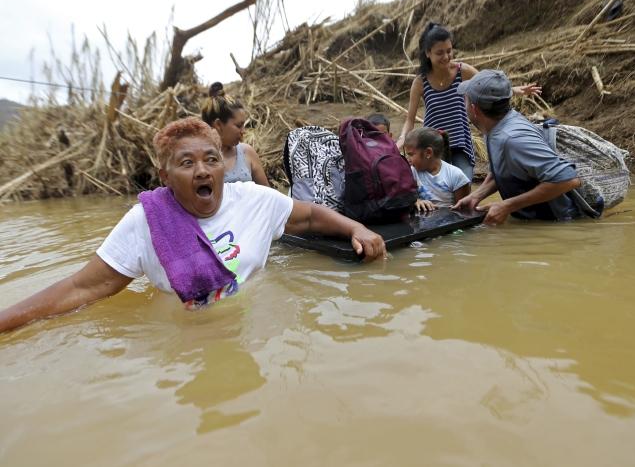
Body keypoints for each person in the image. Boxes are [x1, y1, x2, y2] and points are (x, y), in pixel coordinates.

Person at [0, 118, 386, 333]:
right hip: (186, 336)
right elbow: (82, 287)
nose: (202, 170)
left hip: (257, 322)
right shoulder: (145, 222)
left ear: (222, 166)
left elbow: (310, 215)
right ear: (165, 175)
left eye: (211, 160)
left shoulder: (253, 199)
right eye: (187, 163)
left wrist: (356, 229)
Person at [396, 23, 542, 181]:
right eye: (439, 53)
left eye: (449, 51)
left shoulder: (462, 71)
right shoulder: (420, 82)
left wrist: (514, 90)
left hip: (461, 143)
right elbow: (410, 120)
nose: (446, 57)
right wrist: (402, 139)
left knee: (463, 184)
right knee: (438, 189)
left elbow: (488, 87)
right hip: (433, 147)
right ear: (427, 53)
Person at [452, 69, 581, 225]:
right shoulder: (493, 127)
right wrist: (476, 195)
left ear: (474, 109)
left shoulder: (513, 139)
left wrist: (507, 205)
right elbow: (504, 169)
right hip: (533, 221)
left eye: (465, 100)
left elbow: (569, 180)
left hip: (557, 223)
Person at [201, 82, 269, 186]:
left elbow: (267, 193)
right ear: (218, 125)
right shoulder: (199, 160)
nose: (243, 131)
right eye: (238, 125)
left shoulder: (247, 152)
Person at [404, 127, 471, 212]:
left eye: (411, 154)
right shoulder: (412, 172)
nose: (408, 159)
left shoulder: (456, 175)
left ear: (428, 152)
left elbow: (465, 211)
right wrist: (416, 201)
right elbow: (405, 198)